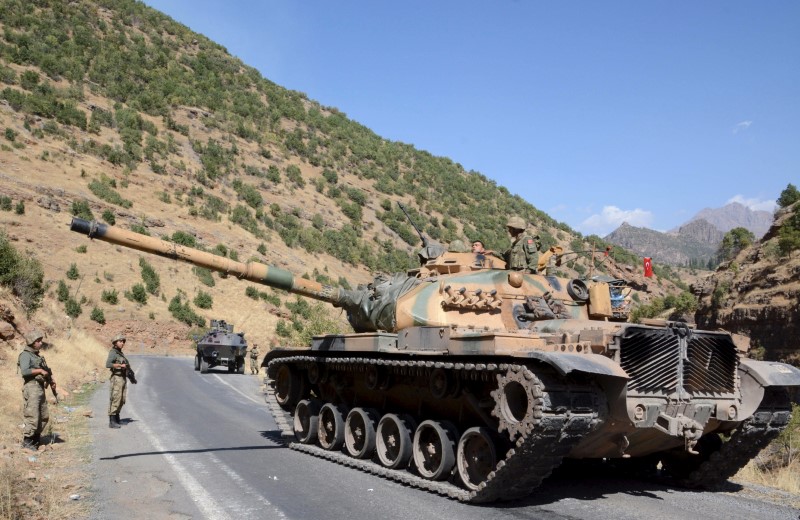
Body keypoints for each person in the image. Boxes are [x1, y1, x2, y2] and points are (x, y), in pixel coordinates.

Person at [18, 330, 55, 450]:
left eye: (40, 340)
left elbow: (46, 372)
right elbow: (25, 371)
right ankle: (28, 441)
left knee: (44, 415)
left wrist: (51, 381)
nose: (40, 343)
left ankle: (36, 439)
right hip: (31, 387)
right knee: (32, 415)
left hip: (39, 387)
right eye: (38, 341)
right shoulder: (25, 355)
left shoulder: (37, 356)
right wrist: (39, 371)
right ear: (31, 342)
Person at [106, 334, 136, 428]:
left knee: (121, 399)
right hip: (117, 378)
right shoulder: (113, 353)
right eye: (120, 341)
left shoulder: (120, 353)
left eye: (123, 341)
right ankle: (112, 421)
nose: (122, 343)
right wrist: (119, 366)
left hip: (122, 378)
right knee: (116, 398)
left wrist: (131, 376)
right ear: (115, 343)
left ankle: (117, 418)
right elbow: (108, 364)